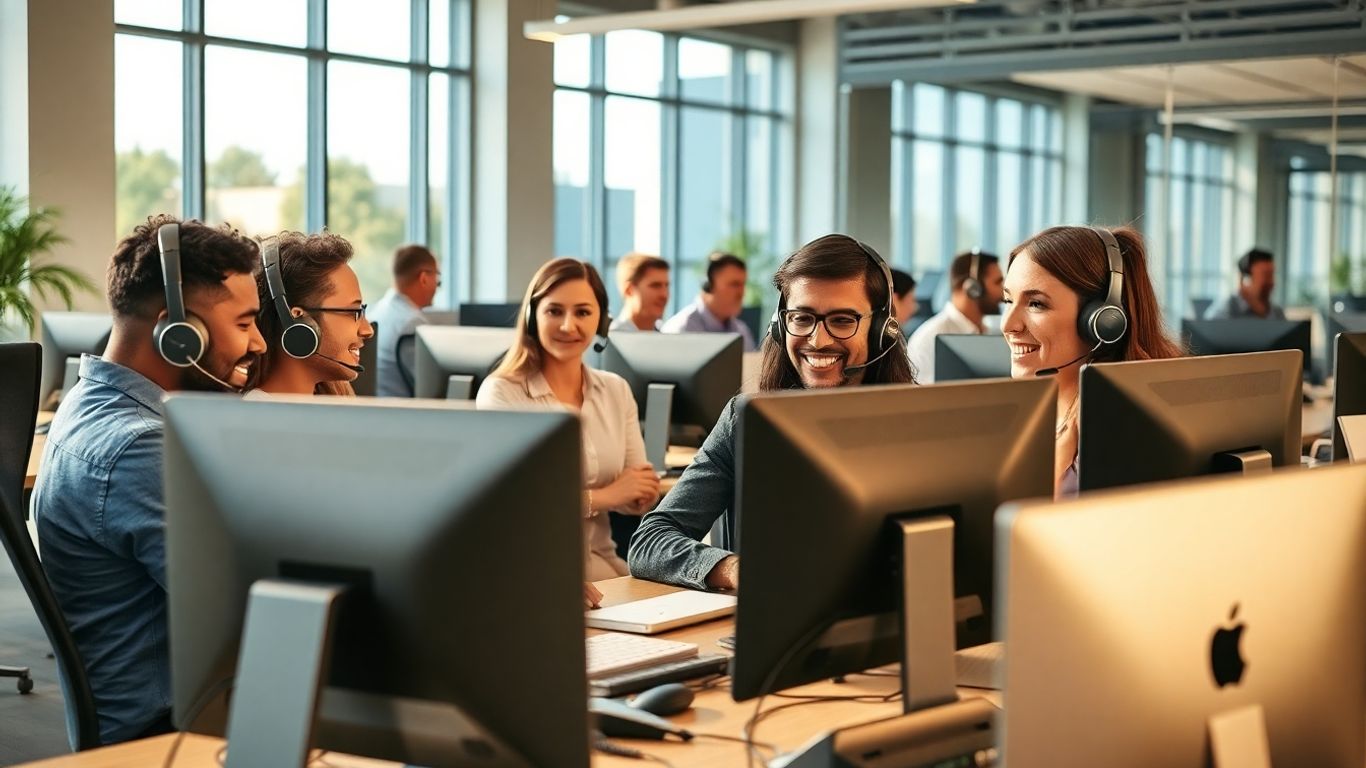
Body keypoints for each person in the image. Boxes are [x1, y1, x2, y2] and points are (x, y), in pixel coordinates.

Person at [32, 215, 267, 746]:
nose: (257, 344)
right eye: (246, 322)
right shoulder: (138, 447)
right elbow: (244, 606)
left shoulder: (89, 404)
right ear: (178, 333)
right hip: (169, 731)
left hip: (171, 712)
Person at [628, 234, 916, 591]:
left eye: (842, 320)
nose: (818, 340)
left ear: (881, 330)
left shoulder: (917, 427)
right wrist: (734, 568)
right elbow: (650, 542)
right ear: (781, 325)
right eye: (802, 318)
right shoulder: (746, 421)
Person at [475, 259, 662, 593]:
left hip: (603, 565)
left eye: (583, 312)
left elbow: (638, 493)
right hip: (533, 571)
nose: (568, 325)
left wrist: (627, 495)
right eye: (554, 311)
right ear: (533, 316)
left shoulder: (615, 390)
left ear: (601, 320)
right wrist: (606, 495)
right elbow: (514, 505)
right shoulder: (502, 392)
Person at [1001, 225, 1183, 498]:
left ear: (1104, 320)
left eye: (1036, 304)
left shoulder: (1111, 432)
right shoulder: (1032, 414)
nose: (1008, 325)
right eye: (1007, 300)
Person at [251, 231, 374, 396]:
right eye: (353, 311)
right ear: (296, 320)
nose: (368, 330)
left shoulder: (330, 401)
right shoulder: (258, 418)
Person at [907, 250, 1004, 383]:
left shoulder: (990, 332)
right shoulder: (932, 338)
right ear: (972, 288)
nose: (1003, 290)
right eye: (998, 282)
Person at [367, 244, 440, 396]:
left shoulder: (376, 311)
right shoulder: (412, 323)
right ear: (424, 278)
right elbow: (430, 387)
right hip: (403, 415)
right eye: (437, 279)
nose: (437, 287)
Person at [660, 252, 756, 351]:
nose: (742, 293)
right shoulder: (680, 331)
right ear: (709, 286)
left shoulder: (742, 331)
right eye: (734, 284)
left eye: (743, 284)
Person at [1205, 247, 1285, 320]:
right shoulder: (1226, 309)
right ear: (1246, 279)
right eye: (1266, 275)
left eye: (1272, 275)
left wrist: (1263, 312)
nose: (1272, 282)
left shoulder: (1277, 312)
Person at [611, 252, 670, 333]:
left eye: (666, 286)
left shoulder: (666, 336)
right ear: (629, 290)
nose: (664, 294)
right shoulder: (610, 340)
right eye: (655, 286)